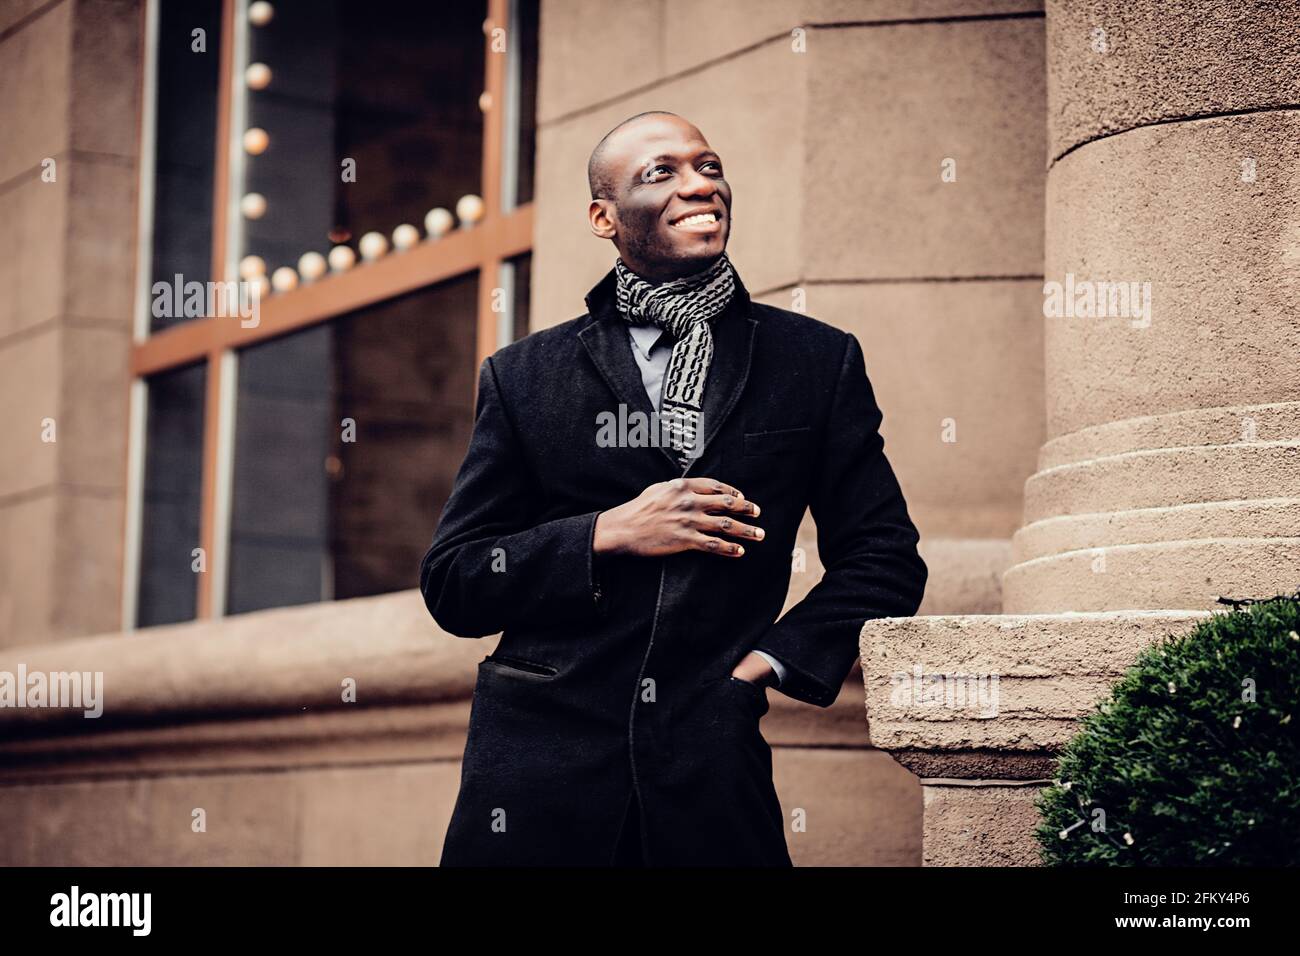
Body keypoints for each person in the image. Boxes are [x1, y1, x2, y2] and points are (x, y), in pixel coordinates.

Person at [420, 111, 927, 866]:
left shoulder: (816, 361)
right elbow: (455, 580)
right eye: (662, 172)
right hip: (535, 774)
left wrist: (763, 668)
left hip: (711, 763)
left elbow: (884, 556)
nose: (700, 185)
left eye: (710, 166)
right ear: (604, 216)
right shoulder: (524, 374)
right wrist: (606, 533)